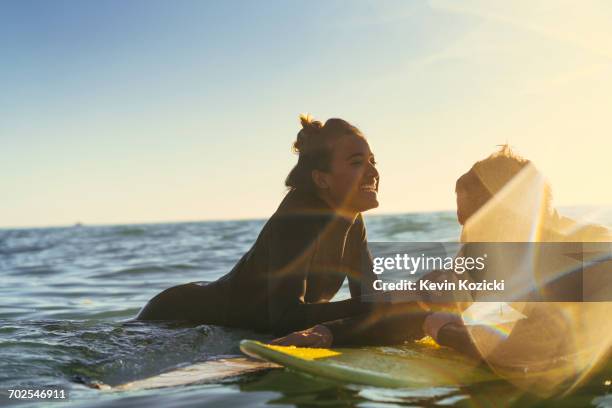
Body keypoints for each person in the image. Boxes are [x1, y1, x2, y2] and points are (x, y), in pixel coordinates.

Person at [136, 114, 383, 341]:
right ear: (321, 179)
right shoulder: (298, 219)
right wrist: (376, 306)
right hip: (174, 319)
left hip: (215, 323)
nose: (373, 172)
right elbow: (285, 319)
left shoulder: (353, 220)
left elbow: (370, 298)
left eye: (373, 161)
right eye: (357, 162)